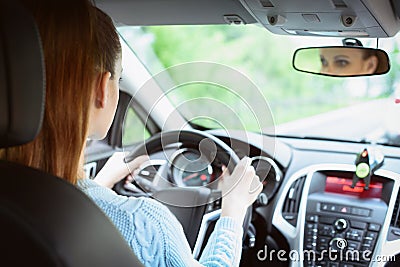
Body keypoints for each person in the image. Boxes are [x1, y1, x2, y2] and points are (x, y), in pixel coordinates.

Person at [0, 1, 262, 266]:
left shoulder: (15, 201)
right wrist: (233, 210)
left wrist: (101, 182)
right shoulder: (145, 226)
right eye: (120, 79)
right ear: (102, 89)